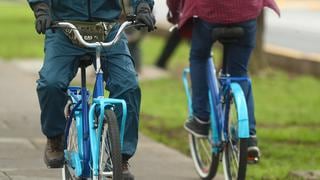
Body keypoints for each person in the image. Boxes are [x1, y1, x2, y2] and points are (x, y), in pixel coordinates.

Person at [27, 0, 155, 179]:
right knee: (50, 83)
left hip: (108, 29)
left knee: (128, 86)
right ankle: (55, 138)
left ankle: (120, 156)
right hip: (65, 29)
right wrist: (41, 9)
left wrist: (143, 6)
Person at [169, 0, 280, 162]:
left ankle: (201, 118)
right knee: (239, 74)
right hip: (246, 12)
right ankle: (249, 137)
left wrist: (174, 12)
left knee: (199, 56)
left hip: (209, 13)